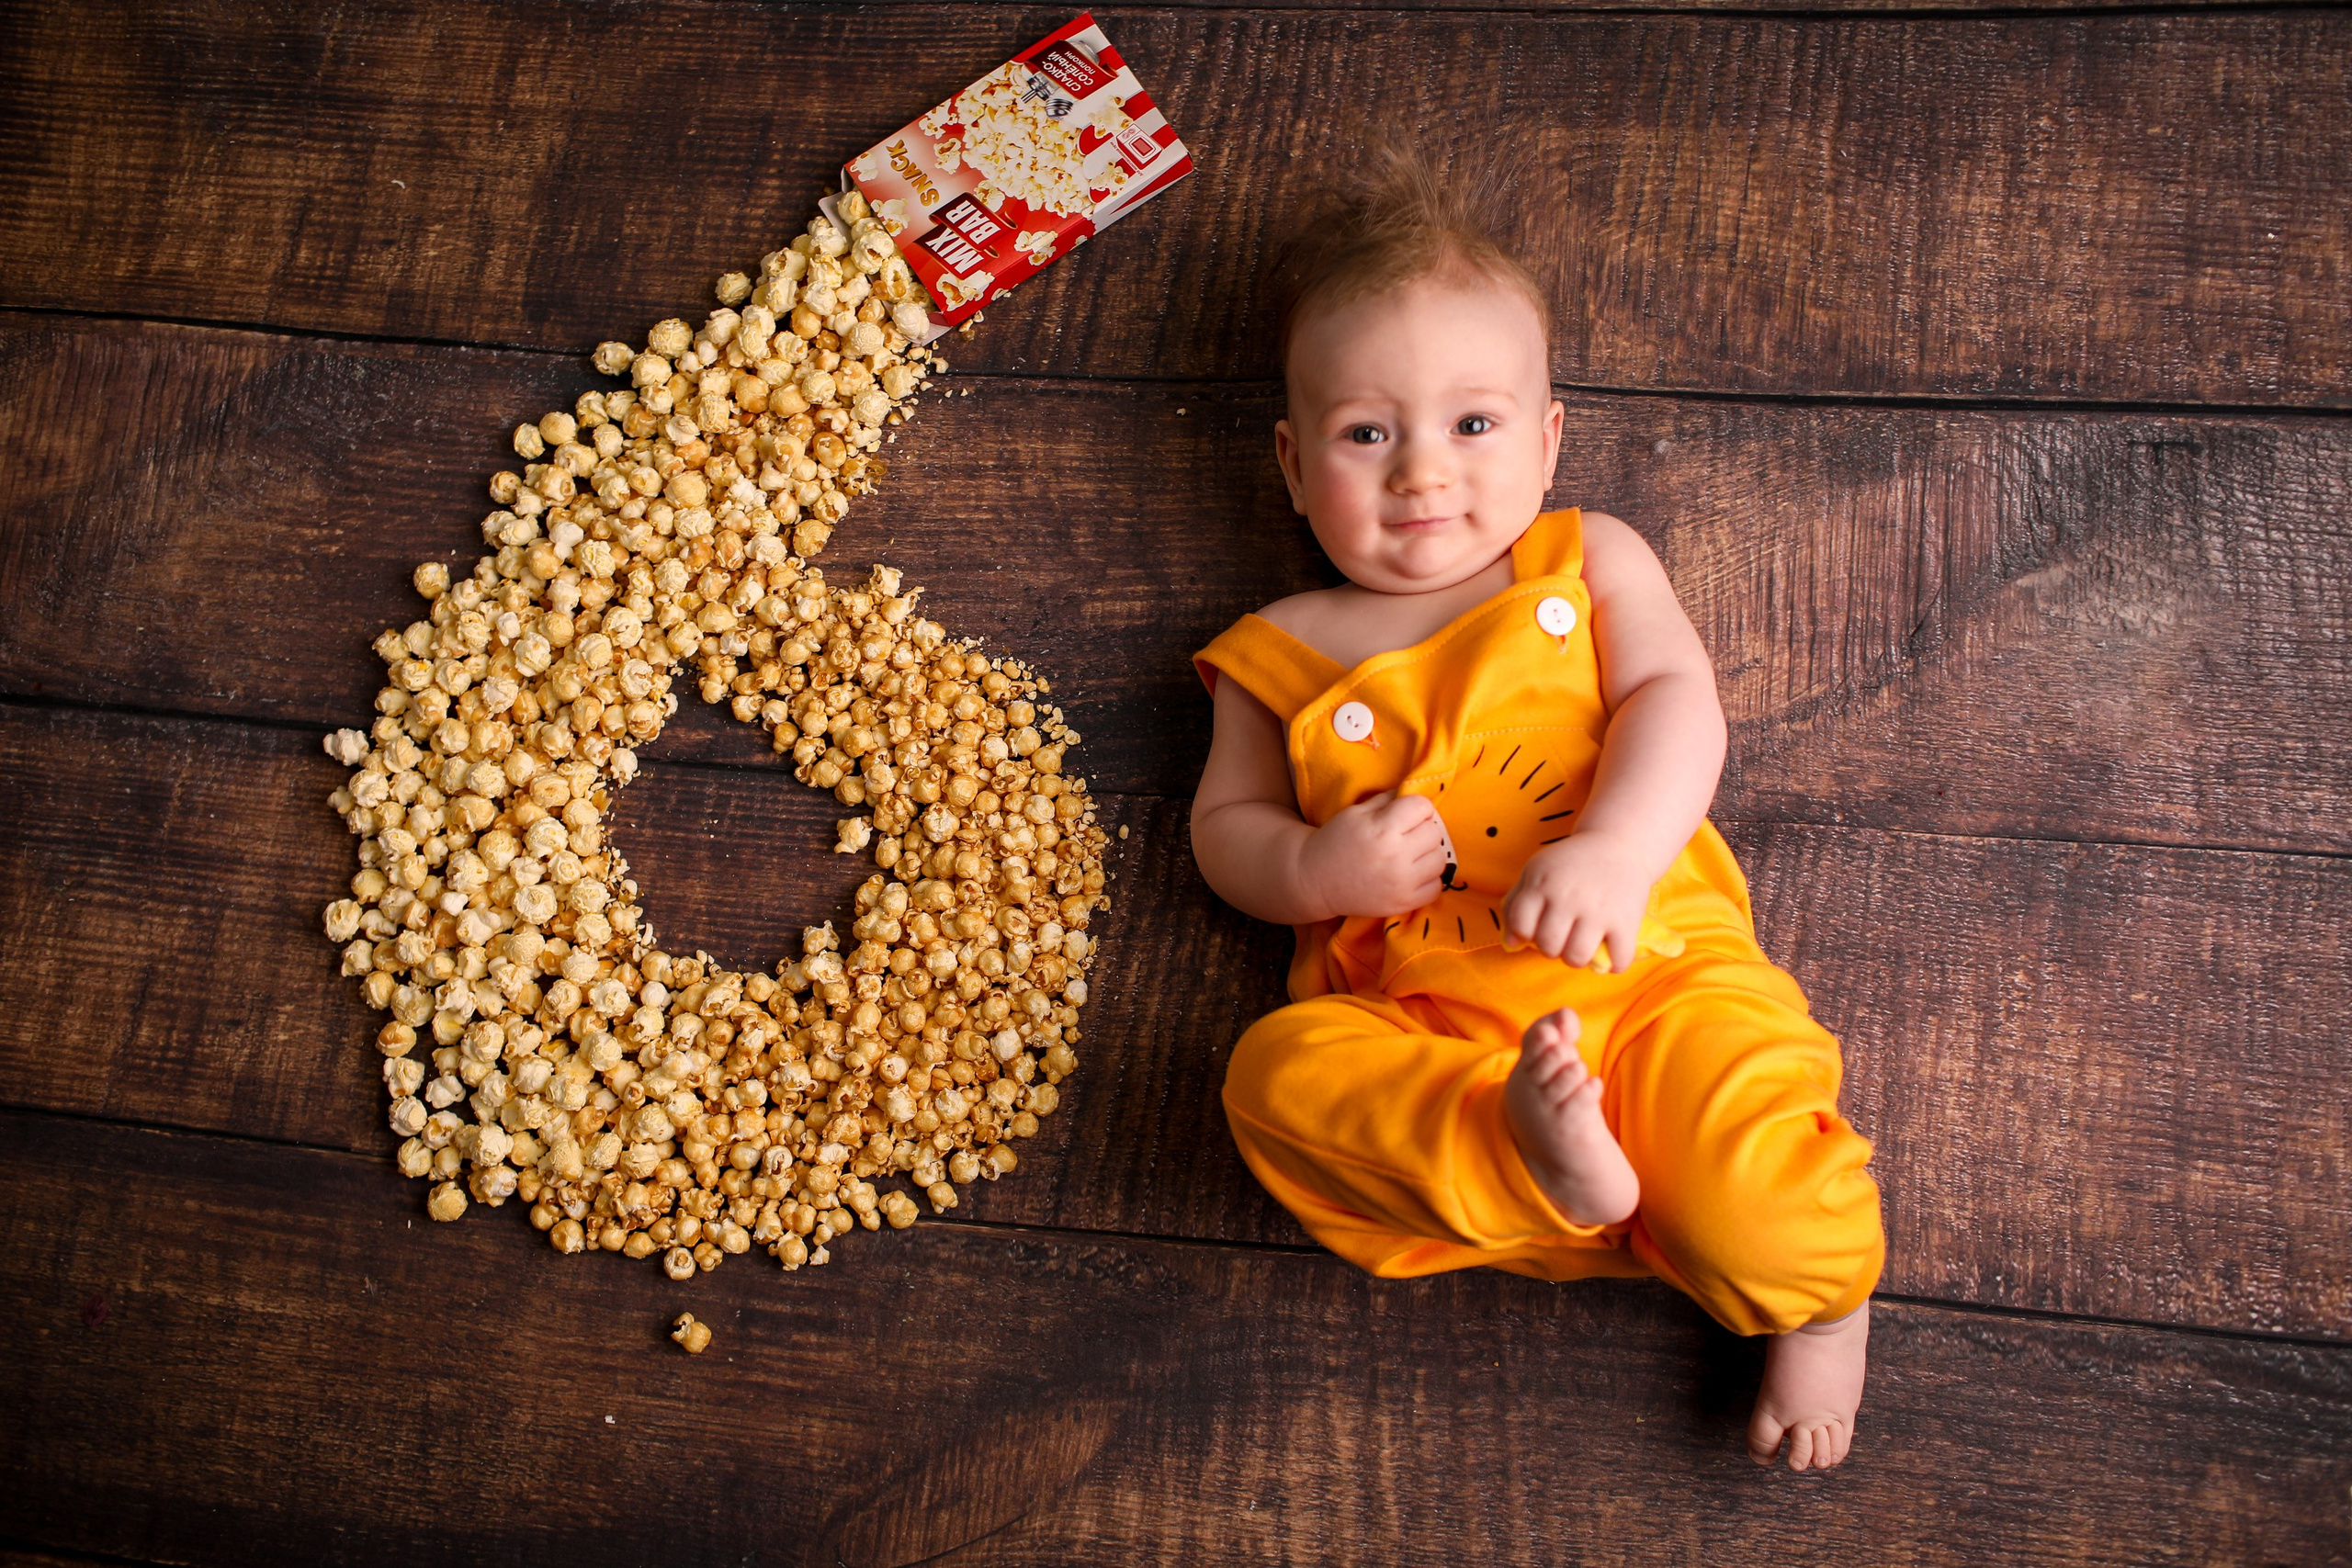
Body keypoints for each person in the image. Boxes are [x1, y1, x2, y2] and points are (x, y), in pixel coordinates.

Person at [1189, 154, 1884, 1472]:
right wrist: (1316, 865)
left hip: (1654, 975)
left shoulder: (1584, 558)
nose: (1419, 476)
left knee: (1763, 1205)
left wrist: (1620, 848)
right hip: (1443, 1040)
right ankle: (1535, 1163)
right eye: (1365, 434)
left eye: (1472, 425)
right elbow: (1224, 838)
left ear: (1550, 440)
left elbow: (1681, 701)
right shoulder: (1274, 653)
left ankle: (1826, 1302)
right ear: (1291, 462)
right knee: (1271, 1076)